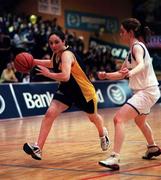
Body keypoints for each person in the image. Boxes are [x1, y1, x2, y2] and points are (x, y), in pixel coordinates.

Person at [23, 29, 110, 160]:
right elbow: (51, 63)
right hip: (66, 90)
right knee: (50, 114)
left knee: (93, 118)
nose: (53, 45)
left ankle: (103, 134)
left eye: (56, 42)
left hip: (83, 92)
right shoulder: (56, 54)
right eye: (51, 43)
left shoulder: (67, 55)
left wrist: (48, 74)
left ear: (64, 41)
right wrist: (32, 61)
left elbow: (65, 76)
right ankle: (38, 148)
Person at [98, 18, 161, 170]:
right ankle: (152, 147)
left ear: (130, 32)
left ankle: (115, 157)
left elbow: (141, 65)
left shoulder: (137, 47)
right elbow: (121, 73)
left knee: (118, 119)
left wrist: (131, 72)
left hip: (146, 91)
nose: (120, 35)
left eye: (122, 32)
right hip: (148, 91)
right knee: (140, 122)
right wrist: (106, 75)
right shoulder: (130, 52)